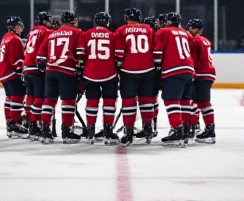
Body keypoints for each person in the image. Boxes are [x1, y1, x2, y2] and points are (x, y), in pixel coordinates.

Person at [36, 11, 85, 143]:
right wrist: (80, 72)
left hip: (50, 70)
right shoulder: (77, 32)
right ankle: (67, 132)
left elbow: (40, 57)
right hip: (67, 70)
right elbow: (81, 54)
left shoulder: (52, 34)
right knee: (68, 101)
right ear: (73, 21)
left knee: (49, 100)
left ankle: (45, 130)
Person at [115, 8, 156, 146]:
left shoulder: (121, 30)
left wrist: (118, 66)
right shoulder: (149, 30)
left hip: (129, 71)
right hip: (148, 70)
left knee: (129, 103)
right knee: (146, 101)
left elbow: (119, 53)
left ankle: (129, 132)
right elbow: (154, 50)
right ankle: (148, 129)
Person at [153, 12, 194, 147]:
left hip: (174, 69)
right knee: (184, 101)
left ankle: (177, 131)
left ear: (169, 22)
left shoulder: (163, 31)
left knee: (171, 100)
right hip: (189, 69)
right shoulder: (185, 33)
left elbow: (158, 54)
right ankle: (187, 130)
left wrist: (157, 67)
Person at [83, 12, 119, 145]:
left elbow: (81, 54)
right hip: (109, 73)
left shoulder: (86, 34)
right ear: (107, 22)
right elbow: (118, 55)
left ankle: (90, 130)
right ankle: (108, 131)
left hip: (90, 73)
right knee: (109, 102)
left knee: (92, 101)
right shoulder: (113, 35)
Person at [22, 11, 53, 140]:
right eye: (49, 21)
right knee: (39, 97)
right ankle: (34, 124)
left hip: (27, 67)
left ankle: (29, 120)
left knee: (31, 95)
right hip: (37, 67)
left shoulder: (32, 31)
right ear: (45, 21)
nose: (50, 23)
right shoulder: (46, 31)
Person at [0, 16, 27, 137]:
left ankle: (9, 123)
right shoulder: (15, 39)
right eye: (19, 26)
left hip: (3, 72)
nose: (21, 28)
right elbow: (16, 61)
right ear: (16, 27)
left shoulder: (6, 37)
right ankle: (14, 124)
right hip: (10, 72)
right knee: (19, 95)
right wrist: (22, 72)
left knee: (9, 97)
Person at [186, 18, 216, 144]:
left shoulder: (195, 40)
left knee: (202, 103)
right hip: (207, 74)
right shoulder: (206, 40)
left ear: (195, 29)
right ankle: (196, 126)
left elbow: (192, 58)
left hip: (201, 74)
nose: (188, 31)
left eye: (190, 28)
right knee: (198, 102)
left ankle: (208, 130)